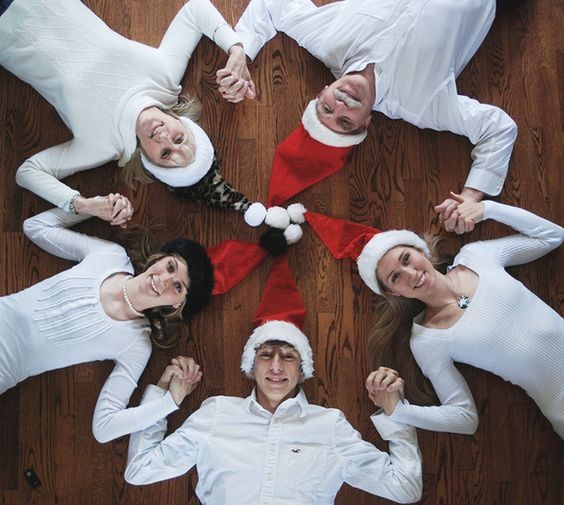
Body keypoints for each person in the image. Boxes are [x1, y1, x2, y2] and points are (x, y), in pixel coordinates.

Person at [124, 254, 423, 503]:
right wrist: (165, 394)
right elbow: (141, 469)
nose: (276, 366)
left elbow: (405, 488)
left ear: (302, 369)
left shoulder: (329, 426)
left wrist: (395, 413)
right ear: (251, 366)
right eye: (266, 354)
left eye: (288, 356)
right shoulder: (217, 413)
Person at [233, 0, 518, 233]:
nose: (341, 106)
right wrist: (470, 197)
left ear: (322, 93)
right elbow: (498, 129)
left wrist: (239, 55)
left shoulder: (325, 41)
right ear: (366, 122)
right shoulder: (419, 105)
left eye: (327, 109)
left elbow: (273, 5)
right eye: (345, 122)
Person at [305, 194, 563, 437]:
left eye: (407, 258)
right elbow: (465, 417)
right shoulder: (427, 341)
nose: (410, 273)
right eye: (396, 277)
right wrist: (398, 411)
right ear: (394, 292)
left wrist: (487, 209)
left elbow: (551, 236)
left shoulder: (477, 256)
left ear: (422, 251)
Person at [0, 0, 257, 226]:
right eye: (179, 139)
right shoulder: (165, 77)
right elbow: (195, 9)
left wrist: (81, 204)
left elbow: (28, 172)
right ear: (186, 125)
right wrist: (236, 50)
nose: (165, 139)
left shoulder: (103, 146)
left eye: (165, 154)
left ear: (149, 159)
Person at [0, 195, 215, 443]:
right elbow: (35, 227)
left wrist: (170, 401)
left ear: (178, 303)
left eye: (177, 287)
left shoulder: (135, 344)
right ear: (160, 258)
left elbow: (104, 428)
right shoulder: (110, 255)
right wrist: (93, 208)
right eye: (170, 266)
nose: (163, 280)